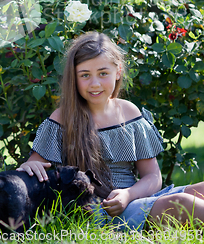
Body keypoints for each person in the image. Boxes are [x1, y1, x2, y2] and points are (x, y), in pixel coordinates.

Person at [16, 31, 204, 231]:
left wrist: (129, 194)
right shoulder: (63, 118)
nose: (95, 83)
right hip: (103, 212)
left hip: (133, 198)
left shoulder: (129, 112)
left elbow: (153, 177)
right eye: (85, 75)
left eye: (103, 73)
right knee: (184, 203)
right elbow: (36, 163)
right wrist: (31, 166)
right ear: (74, 78)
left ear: (118, 71)